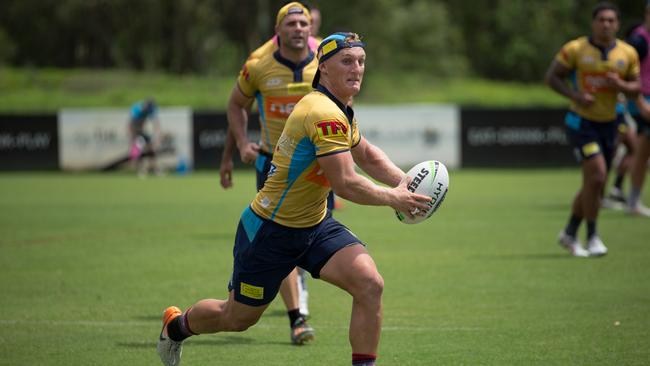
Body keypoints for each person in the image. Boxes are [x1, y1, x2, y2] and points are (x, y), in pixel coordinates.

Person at [157, 32, 433, 366]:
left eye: (361, 61)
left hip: (314, 227)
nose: (357, 68)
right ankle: (176, 326)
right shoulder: (322, 112)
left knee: (369, 283)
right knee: (237, 318)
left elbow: (368, 156)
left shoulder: (341, 107)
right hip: (269, 231)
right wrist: (394, 199)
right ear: (324, 68)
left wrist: (404, 182)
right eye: (347, 61)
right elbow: (345, 183)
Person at [218, 2, 317, 345]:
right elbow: (235, 105)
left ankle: (297, 286)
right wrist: (238, 148)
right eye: (291, 23)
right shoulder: (258, 64)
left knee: (310, 238)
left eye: (303, 23)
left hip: (320, 168)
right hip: (273, 166)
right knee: (287, 239)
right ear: (279, 30)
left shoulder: (326, 58)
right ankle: (297, 317)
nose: (299, 29)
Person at [545, 1, 640, 257]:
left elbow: (636, 89)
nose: (606, 24)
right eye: (602, 19)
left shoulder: (627, 53)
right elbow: (552, 77)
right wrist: (575, 95)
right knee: (597, 176)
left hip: (609, 124)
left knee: (593, 183)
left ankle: (569, 233)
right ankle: (593, 236)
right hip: (581, 122)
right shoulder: (576, 49)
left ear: (617, 24)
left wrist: (619, 84)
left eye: (611, 20)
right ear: (593, 23)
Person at [622, 2, 650, 217]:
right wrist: (640, 102)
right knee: (641, 151)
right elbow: (624, 73)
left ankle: (632, 199)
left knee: (641, 151)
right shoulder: (639, 41)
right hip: (642, 100)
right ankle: (632, 200)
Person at [601, 97, 636, 209]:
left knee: (634, 150)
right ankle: (599, 197)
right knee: (605, 160)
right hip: (608, 118)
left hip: (620, 116)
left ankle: (617, 187)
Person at [128, 99, 161, 176]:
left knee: (151, 149)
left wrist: (157, 135)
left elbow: (156, 123)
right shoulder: (137, 109)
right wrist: (132, 136)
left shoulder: (150, 110)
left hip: (142, 131)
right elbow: (131, 124)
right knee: (138, 149)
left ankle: (154, 168)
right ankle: (140, 170)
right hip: (135, 132)